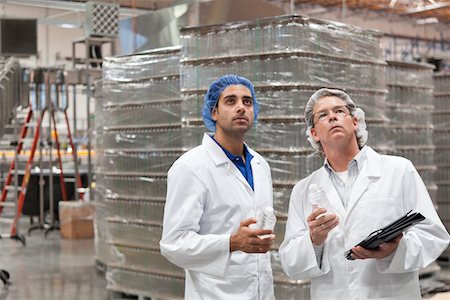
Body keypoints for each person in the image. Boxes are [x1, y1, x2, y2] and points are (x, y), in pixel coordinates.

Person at [279, 88, 449, 300]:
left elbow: (433, 235)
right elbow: (290, 263)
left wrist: (395, 251)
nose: (332, 116)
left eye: (339, 111)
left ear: (355, 122)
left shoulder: (399, 170)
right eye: (322, 115)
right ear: (314, 133)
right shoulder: (303, 189)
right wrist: (314, 240)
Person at [160, 74, 275, 300]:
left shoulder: (260, 165)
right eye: (230, 101)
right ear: (214, 112)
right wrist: (231, 242)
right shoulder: (191, 167)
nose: (241, 108)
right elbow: (173, 243)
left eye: (247, 101)